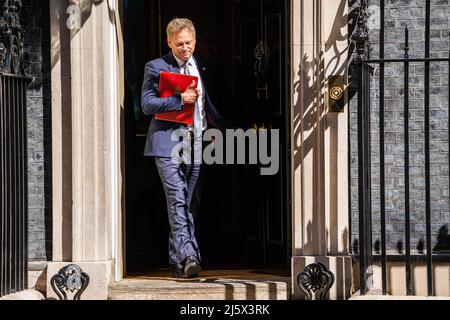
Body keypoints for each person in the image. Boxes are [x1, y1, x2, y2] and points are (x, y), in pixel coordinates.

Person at [141, 18, 229, 278]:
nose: (185, 48)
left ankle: (177, 261)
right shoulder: (156, 67)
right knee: (177, 198)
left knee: (189, 203)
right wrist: (179, 99)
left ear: (195, 41)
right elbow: (147, 105)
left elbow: (210, 107)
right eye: (179, 44)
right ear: (169, 42)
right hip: (167, 144)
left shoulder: (203, 66)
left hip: (196, 144)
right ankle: (190, 256)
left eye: (189, 43)